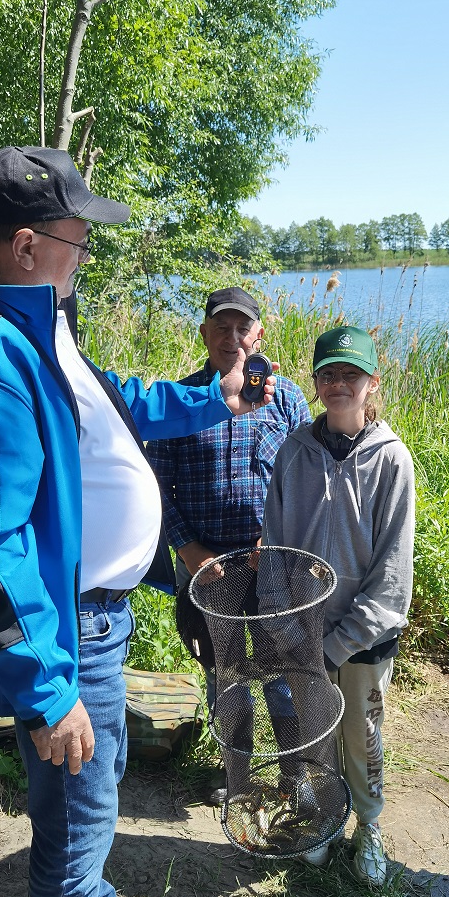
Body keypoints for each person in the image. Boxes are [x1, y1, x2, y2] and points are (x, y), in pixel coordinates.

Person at [0, 146, 275, 897]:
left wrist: (213, 398)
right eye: (79, 239)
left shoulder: (36, 325)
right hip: (67, 636)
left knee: (92, 799)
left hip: (95, 622)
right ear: (28, 246)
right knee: (77, 828)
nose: (87, 255)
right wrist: (46, 689)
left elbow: (117, 405)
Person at [261, 325, 415, 887]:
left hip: (364, 639)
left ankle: (368, 827)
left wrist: (336, 645)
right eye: (328, 374)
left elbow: (392, 581)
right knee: (314, 731)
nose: (339, 384)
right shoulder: (294, 451)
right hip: (301, 633)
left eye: (351, 374)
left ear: (372, 383)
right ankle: (325, 817)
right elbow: (273, 548)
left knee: (362, 735)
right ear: (316, 382)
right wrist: (285, 626)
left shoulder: (392, 461)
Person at [146, 287, 310, 802]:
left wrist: (275, 540)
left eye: (243, 328)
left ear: (259, 335)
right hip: (205, 565)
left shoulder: (287, 399)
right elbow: (156, 484)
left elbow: (305, 485)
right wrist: (187, 549)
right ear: (204, 334)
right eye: (222, 327)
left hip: (272, 563)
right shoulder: (183, 399)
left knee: (282, 671)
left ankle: (295, 776)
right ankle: (236, 774)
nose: (232, 338)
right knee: (225, 672)